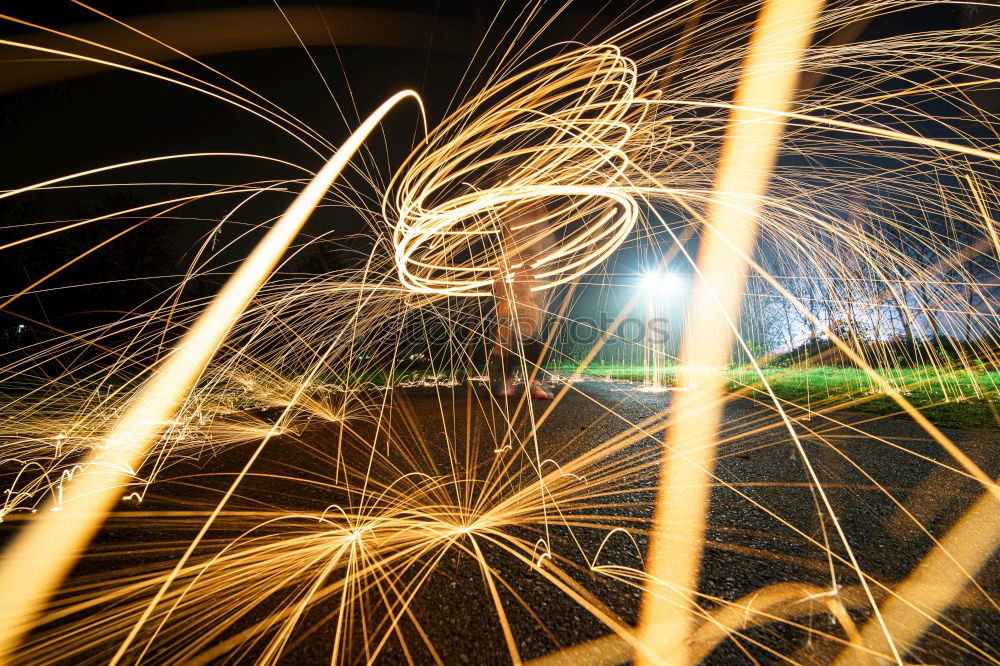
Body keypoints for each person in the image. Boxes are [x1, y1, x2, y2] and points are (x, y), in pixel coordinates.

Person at [489, 197, 555, 400]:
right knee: (506, 333)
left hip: (531, 283)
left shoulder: (539, 215)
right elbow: (505, 247)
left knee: (532, 329)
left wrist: (533, 267)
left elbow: (546, 247)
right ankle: (504, 380)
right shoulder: (513, 213)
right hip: (512, 281)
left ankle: (535, 382)